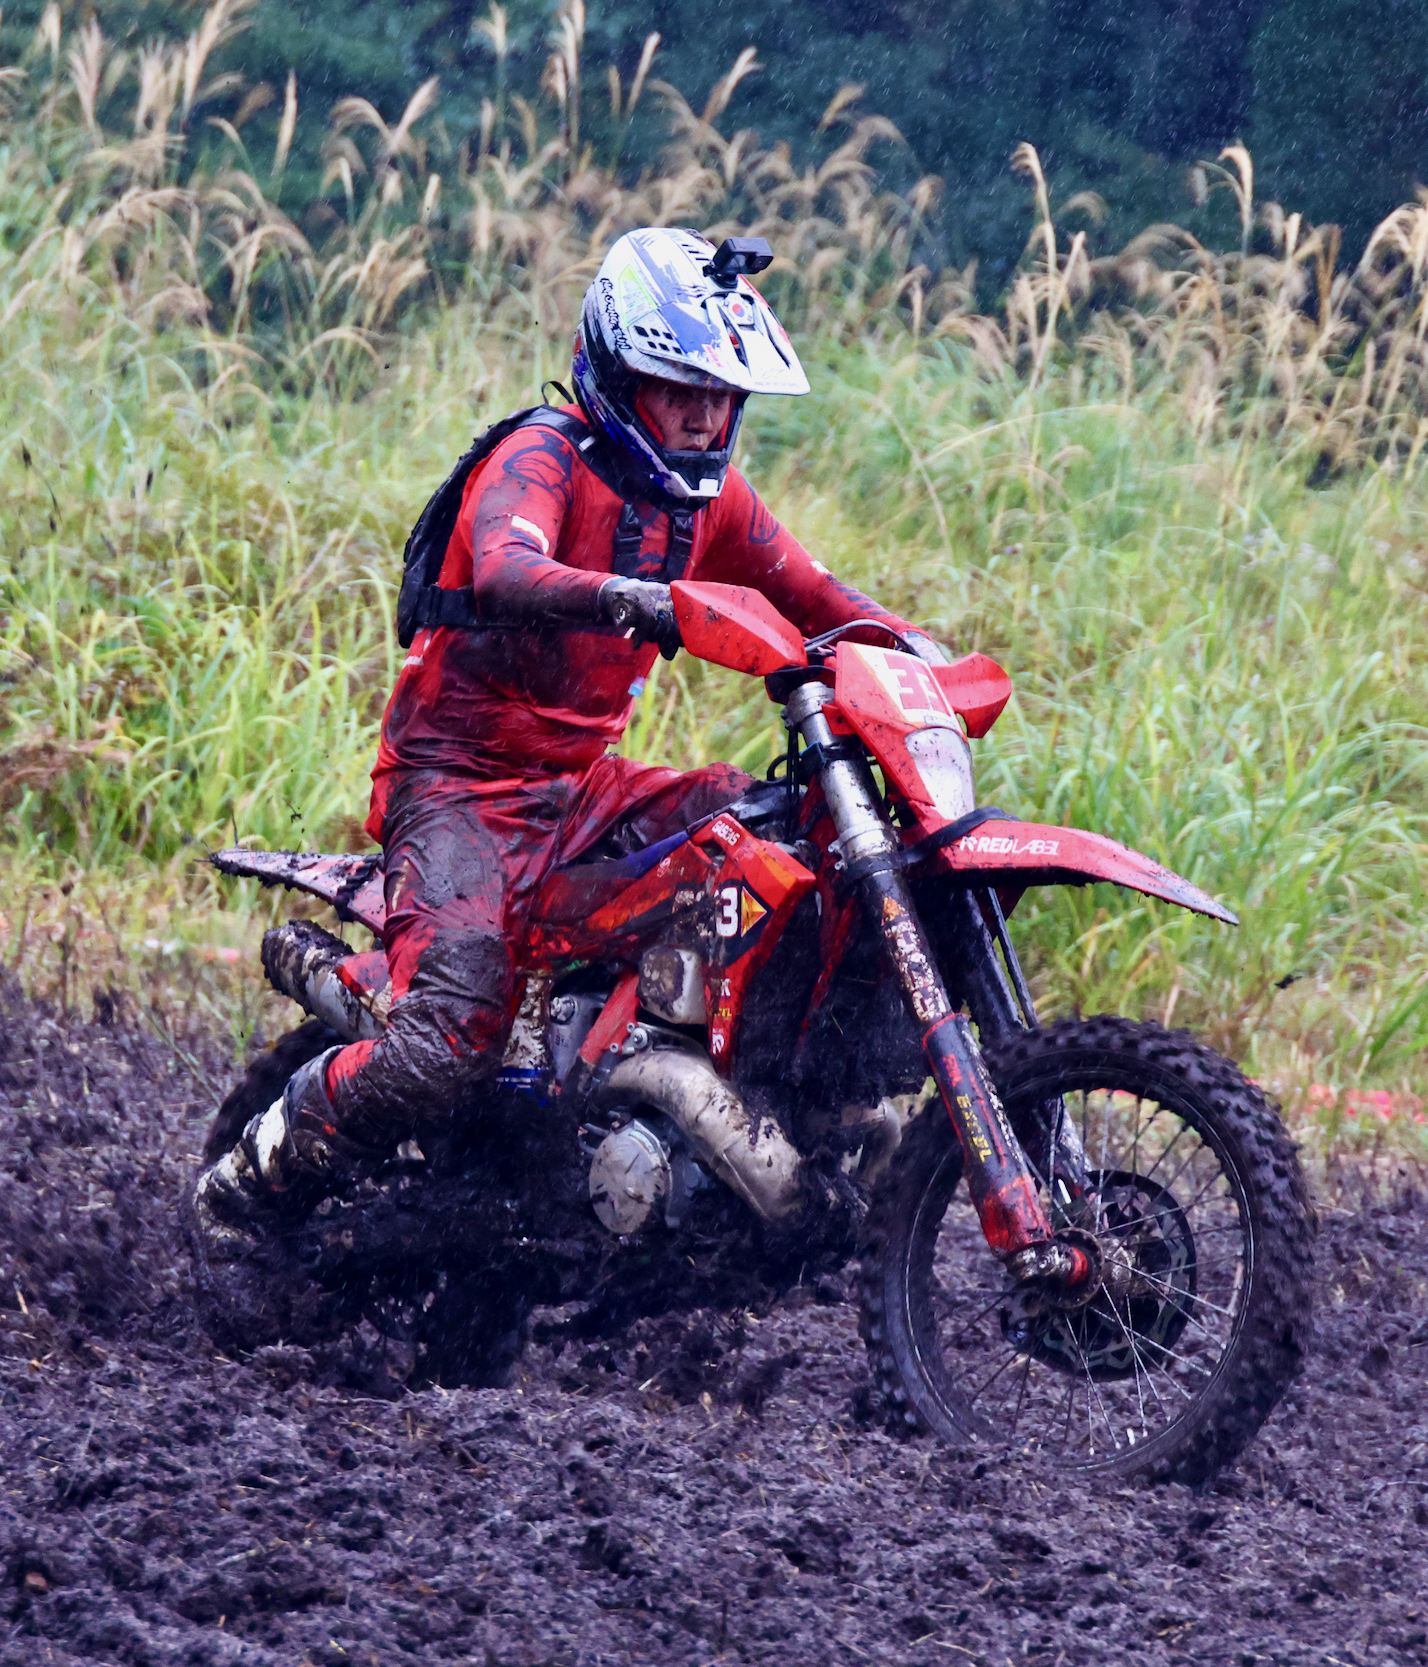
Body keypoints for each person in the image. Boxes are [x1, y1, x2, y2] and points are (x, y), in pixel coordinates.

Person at [193, 227, 947, 1255]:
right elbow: (506, 567)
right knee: (446, 1042)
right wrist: (638, 598)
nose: (704, 414)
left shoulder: (707, 499)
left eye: (722, 394)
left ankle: (732, 1085)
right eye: (679, 388)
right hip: (455, 790)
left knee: (773, 828)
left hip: (581, 787)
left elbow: (815, 596)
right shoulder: (540, 455)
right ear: (620, 374)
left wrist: (915, 650)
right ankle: (245, 1182)